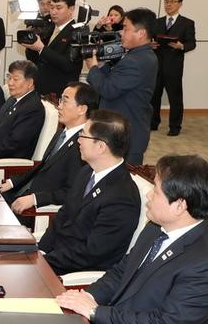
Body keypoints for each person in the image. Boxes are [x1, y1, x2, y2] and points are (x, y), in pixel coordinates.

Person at [57, 154, 208, 324]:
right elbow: (122, 271)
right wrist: (89, 297)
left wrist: (96, 312)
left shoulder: (207, 266)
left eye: (156, 191)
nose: (148, 195)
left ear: (179, 206)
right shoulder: (156, 229)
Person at [38, 109, 141, 275]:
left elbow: (92, 253)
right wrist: (41, 250)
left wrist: (45, 261)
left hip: (75, 273)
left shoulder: (122, 196)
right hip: (56, 258)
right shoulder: (87, 172)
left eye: (83, 135)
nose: (78, 140)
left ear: (101, 147)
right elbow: (64, 215)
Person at [1, 82, 99, 211]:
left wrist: (35, 199)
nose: (59, 106)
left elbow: (72, 192)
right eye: (60, 101)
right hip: (23, 192)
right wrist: (13, 182)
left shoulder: (84, 144)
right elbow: (42, 166)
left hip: (37, 208)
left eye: (65, 101)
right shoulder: (62, 132)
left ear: (82, 109)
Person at [86, 8, 158, 165]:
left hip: (127, 134)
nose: (121, 33)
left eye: (126, 28)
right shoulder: (137, 55)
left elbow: (108, 90)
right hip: (121, 129)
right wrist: (102, 65)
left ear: (141, 33)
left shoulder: (137, 60)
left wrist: (92, 68)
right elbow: (115, 80)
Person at [0, 60, 43, 161]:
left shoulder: (32, 108)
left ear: (30, 83)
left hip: (5, 163)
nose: (10, 83)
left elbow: (15, 144)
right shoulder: (13, 99)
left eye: (15, 79)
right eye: (9, 78)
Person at [23, 0, 83, 98]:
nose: (53, 12)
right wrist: (31, 46)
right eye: (52, 7)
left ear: (71, 9)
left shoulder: (78, 32)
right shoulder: (49, 28)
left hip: (60, 93)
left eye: (59, 7)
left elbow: (69, 65)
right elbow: (36, 60)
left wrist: (42, 48)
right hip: (41, 89)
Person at [151, 0, 196, 136]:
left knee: (175, 98)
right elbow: (150, 40)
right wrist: (150, 45)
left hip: (174, 67)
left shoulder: (187, 23)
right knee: (154, 96)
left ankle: (175, 127)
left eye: (172, 1)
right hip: (156, 65)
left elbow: (192, 43)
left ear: (180, 4)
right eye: (166, 1)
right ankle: (153, 122)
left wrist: (181, 46)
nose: (168, 4)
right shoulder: (157, 22)